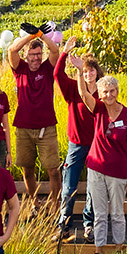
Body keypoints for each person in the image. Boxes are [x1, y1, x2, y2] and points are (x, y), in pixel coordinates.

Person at [76, 73, 127, 253]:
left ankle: (119, 248)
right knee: (100, 214)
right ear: (100, 94)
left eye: (112, 91)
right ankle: (99, 250)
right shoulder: (98, 109)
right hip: (96, 169)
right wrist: (80, 71)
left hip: (119, 172)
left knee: (118, 213)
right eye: (105, 92)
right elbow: (82, 93)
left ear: (117, 91)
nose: (109, 95)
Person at [5, 26, 64, 205]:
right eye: (32, 55)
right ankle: (34, 202)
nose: (36, 58)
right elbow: (12, 50)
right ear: (26, 56)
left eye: (38, 54)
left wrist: (42, 36)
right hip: (23, 128)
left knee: (53, 169)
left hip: (47, 129)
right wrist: (31, 36)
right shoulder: (20, 69)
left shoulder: (47, 69)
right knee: (27, 169)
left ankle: (55, 205)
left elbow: (55, 50)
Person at [53, 41, 101, 243]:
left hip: (96, 146)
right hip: (76, 144)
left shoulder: (104, 91)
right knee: (68, 185)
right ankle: (64, 224)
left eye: (91, 71)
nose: (88, 74)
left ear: (97, 73)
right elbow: (57, 75)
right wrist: (64, 53)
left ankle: (89, 225)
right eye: (85, 71)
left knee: (93, 186)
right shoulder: (72, 88)